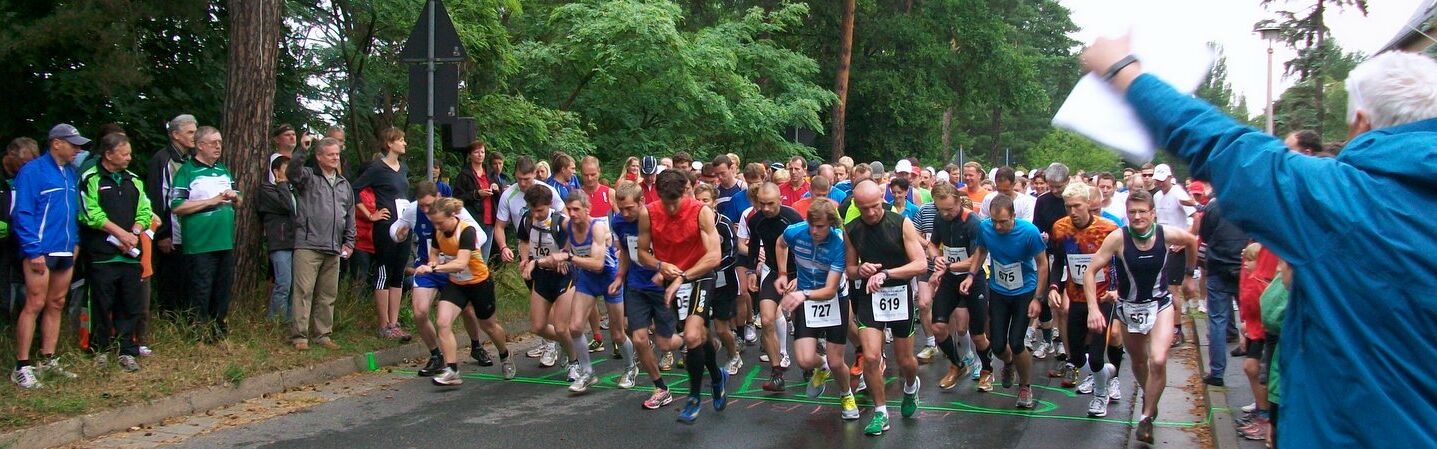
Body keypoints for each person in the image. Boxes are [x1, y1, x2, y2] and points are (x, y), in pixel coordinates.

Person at [1078, 189, 1197, 443]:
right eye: (1132, 212)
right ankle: (1149, 397)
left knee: (1158, 359)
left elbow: (1191, 241)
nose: (1137, 216)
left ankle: (1145, 418)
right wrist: (1092, 308)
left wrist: (1188, 275)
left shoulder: (1166, 234)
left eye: (1143, 211)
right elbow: (1090, 272)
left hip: (1160, 304)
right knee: (1140, 362)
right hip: (1129, 307)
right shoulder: (1117, 239)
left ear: (1153, 213)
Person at [637, 170, 725, 423]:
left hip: (699, 275)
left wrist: (683, 277)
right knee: (699, 336)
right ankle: (717, 377)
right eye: (667, 201)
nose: (672, 207)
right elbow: (642, 252)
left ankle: (694, 398)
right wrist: (658, 265)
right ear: (660, 195)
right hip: (670, 277)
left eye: (676, 200)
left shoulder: (701, 211)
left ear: (686, 192)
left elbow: (713, 257)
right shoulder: (649, 213)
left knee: (692, 335)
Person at [844, 180, 929, 436]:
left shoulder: (900, 223)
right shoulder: (852, 229)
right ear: (856, 206)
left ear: (882, 199)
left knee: (905, 360)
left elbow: (921, 264)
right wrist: (860, 270)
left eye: (874, 207)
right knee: (870, 357)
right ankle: (881, 412)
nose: (870, 213)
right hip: (870, 295)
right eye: (863, 208)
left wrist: (887, 273)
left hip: (899, 293)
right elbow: (848, 269)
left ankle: (911, 386)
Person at [392, 182, 503, 375]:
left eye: (429, 205)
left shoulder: (452, 211)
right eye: (422, 206)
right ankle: (436, 356)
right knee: (420, 311)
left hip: (456, 269)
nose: (426, 210)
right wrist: (398, 233)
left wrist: (462, 251)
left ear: (438, 197)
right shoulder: (413, 210)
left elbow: (481, 236)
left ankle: (476, 346)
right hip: (428, 268)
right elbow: (397, 228)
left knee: (469, 311)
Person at [11, 124, 85, 388]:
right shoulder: (33, 171)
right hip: (41, 250)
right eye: (73, 144)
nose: (78, 149)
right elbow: (23, 212)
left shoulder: (70, 173)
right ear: (56, 143)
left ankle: (48, 359)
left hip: (65, 248)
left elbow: (71, 212)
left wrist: (75, 243)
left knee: (57, 303)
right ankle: (21, 365)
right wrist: (33, 250)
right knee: (35, 303)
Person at [960, 194, 1050, 410]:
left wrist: (1038, 298)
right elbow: (981, 251)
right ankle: (1009, 363)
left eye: (1003, 221)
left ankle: (1025, 386)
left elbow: (1043, 264)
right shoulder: (985, 228)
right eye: (994, 221)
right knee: (998, 344)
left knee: (1017, 342)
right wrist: (971, 276)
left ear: (1013, 216)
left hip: (1024, 291)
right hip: (999, 290)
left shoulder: (1029, 232)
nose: (998, 226)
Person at [774, 199, 859, 420]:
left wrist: (802, 295)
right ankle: (821, 367)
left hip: (832, 300)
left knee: (836, 360)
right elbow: (780, 244)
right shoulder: (796, 231)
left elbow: (830, 290)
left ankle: (845, 394)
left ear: (831, 223)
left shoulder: (839, 243)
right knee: (803, 360)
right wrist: (783, 273)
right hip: (805, 297)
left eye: (820, 226)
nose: (814, 231)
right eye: (811, 224)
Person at [1045, 182, 1123, 417]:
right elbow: (1059, 260)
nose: (1073, 212)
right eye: (1068, 207)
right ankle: (1106, 373)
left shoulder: (1109, 228)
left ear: (1089, 204)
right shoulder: (1061, 228)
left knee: (1097, 355)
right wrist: (1054, 286)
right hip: (1077, 295)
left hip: (1103, 298)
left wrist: (1118, 290)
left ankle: (1100, 395)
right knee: (1078, 357)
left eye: (1077, 206)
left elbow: (1121, 262)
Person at [418, 198, 513, 386]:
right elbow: (434, 253)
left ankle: (505, 354)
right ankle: (452, 370)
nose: (436, 226)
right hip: (457, 285)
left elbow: (461, 263)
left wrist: (434, 269)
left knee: (489, 326)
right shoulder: (439, 231)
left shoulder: (466, 231)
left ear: (452, 216)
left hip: (479, 283)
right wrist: (432, 262)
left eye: (440, 222)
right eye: (434, 223)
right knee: (443, 322)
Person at [78, 133, 150, 373]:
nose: (130, 157)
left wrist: (134, 232)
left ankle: (127, 350)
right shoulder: (91, 178)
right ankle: (99, 349)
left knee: (130, 303)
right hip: (102, 254)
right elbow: (91, 214)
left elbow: (145, 210)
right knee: (101, 303)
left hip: (129, 255)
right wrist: (121, 234)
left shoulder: (134, 180)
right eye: (125, 153)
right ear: (108, 154)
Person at [556, 191, 637, 392]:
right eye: (569, 209)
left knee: (617, 333)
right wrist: (564, 253)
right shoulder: (568, 225)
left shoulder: (598, 228)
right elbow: (568, 244)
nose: (572, 214)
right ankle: (587, 373)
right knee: (574, 327)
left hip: (609, 278)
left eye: (576, 209)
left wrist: (568, 259)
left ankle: (630, 367)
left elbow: (599, 264)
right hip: (588, 280)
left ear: (587, 209)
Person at [611, 183, 679, 409]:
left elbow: (677, 249)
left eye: (630, 208)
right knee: (639, 338)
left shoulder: (658, 218)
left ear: (641, 202)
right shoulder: (618, 222)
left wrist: (665, 273)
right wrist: (620, 276)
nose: (625, 213)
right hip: (637, 285)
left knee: (665, 343)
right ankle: (661, 387)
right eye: (621, 208)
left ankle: (700, 339)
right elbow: (625, 253)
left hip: (662, 286)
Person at [285, 138, 355, 351]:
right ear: (319, 156)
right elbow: (291, 173)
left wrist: (349, 242)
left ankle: (323, 334)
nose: (335, 158)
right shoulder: (308, 176)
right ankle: (300, 337)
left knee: (328, 294)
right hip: (308, 244)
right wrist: (301, 151)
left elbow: (350, 215)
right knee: (303, 291)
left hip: (334, 247)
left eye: (337, 154)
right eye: (330, 154)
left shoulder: (344, 184)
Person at [170, 126, 239, 341]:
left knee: (222, 289)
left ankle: (219, 332)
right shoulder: (187, 171)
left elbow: (239, 200)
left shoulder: (223, 170)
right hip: (200, 243)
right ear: (200, 146)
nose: (218, 146)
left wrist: (234, 197)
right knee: (200, 289)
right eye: (213, 143)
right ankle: (196, 333)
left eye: (220, 142)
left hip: (224, 241)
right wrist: (211, 201)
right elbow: (177, 206)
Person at [493, 157, 565, 359]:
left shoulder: (545, 191)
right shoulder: (509, 194)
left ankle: (554, 344)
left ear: (535, 174)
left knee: (546, 297)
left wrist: (563, 251)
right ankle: (550, 340)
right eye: (519, 179)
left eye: (527, 178)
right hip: (527, 250)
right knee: (536, 297)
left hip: (551, 250)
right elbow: (499, 226)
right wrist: (504, 246)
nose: (523, 183)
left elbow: (563, 216)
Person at [924, 182, 993, 391]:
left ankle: (987, 370)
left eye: (950, 209)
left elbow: (975, 258)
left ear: (958, 201)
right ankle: (957, 364)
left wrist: (948, 264)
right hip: (951, 278)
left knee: (977, 334)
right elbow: (932, 244)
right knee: (938, 327)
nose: (945, 213)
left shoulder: (973, 222)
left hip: (975, 279)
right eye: (941, 209)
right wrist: (936, 258)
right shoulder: (939, 218)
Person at [352, 127, 413, 341]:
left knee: (398, 273)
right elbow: (355, 188)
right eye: (401, 140)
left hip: (403, 226)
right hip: (385, 226)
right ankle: (383, 324)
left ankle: (394, 323)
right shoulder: (377, 167)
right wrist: (370, 215)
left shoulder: (403, 168)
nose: (404, 143)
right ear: (389, 143)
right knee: (384, 272)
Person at [745, 183, 802, 390]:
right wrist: (751, 271)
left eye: (770, 204)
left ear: (780, 200)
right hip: (773, 271)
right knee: (767, 319)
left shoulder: (792, 218)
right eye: (762, 204)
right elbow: (753, 245)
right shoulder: (756, 219)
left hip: (797, 272)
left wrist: (802, 277)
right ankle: (776, 372)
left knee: (801, 321)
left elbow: (807, 247)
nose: (766, 208)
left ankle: (811, 364)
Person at [519, 184, 578, 373]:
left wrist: (565, 252)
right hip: (542, 276)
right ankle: (568, 345)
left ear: (549, 204)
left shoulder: (560, 221)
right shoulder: (527, 220)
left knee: (561, 328)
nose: (536, 214)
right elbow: (524, 241)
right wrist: (524, 259)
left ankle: (574, 362)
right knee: (538, 326)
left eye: (540, 210)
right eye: (532, 210)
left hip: (563, 277)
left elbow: (577, 235)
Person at [692, 183, 744, 377]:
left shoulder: (723, 224)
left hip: (723, 281)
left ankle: (734, 355)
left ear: (714, 202)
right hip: (700, 281)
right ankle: (712, 346)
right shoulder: (692, 224)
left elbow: (732, 254)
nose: (701, 204)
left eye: (705, 200)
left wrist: (711, 267)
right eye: (697, 200)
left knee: (721, 327)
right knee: (700, 328)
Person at [1198, 194, 1248, 387]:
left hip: (1218, 266)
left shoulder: (1213, 206)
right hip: (1243, 266)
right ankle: (1258, 374)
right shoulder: (1249, 203)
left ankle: (1217, 372)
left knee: (1217, 320)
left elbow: (1205, 234)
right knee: (1251, 319)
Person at [147, 114, 195, 313]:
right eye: (190, 132)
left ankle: (185, 315)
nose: (195, 136)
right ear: (175, 134)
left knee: (187, 276)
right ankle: (169, 317)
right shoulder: (162, 159)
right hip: (170, 232)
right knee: (170, 277)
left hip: (189, 231)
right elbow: (157, 198)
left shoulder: (190, 159)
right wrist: (163, 233)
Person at [1150, 163, 1199, 340]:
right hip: (1162, 245)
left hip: (1177, 246)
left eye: (1163, 180)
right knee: (1162, 286)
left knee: (1172, 289)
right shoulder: (1156, 196)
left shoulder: (1178, 193)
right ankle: (1166, 324)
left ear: (1170, 178)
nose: (1161, 183)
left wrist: (1187, 239)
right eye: (1158, 180)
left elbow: (1195, 217)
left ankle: (1177, 330)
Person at [1029, 162, 1071, 359]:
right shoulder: (1043, 200)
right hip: (1047, 253)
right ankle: (1047, 340)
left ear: (1067, 182)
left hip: (1069, 256)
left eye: (1059, 187)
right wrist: (1042, 236)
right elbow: (1036, 227)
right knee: (1043, 296)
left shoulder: (1073, 200)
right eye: (1051, 186)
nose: (1054, 191)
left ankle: (1063, 340)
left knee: (1064, 300)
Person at [257, 154, 296, 323]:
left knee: (294, 285)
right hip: (279, 242)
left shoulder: (293, 190)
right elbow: (286, 205)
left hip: (296, 242)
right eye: (288, 170)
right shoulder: (266, 189)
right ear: (276, 171)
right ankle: (275, 321)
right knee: (283, 283)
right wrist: (282, 184)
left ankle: (288, 319)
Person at [452, 140, 500, 261]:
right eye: (476, 152)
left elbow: (500, 194)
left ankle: (482, 278)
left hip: (490, 220)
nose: (480, 155)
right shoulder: (464, 174)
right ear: (470, 155)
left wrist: (496, 189)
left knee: (484, 259)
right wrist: (477, 194)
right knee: (473, 257)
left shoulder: (490, 172)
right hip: (473, 220)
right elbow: (457, 199)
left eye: (482, 152)